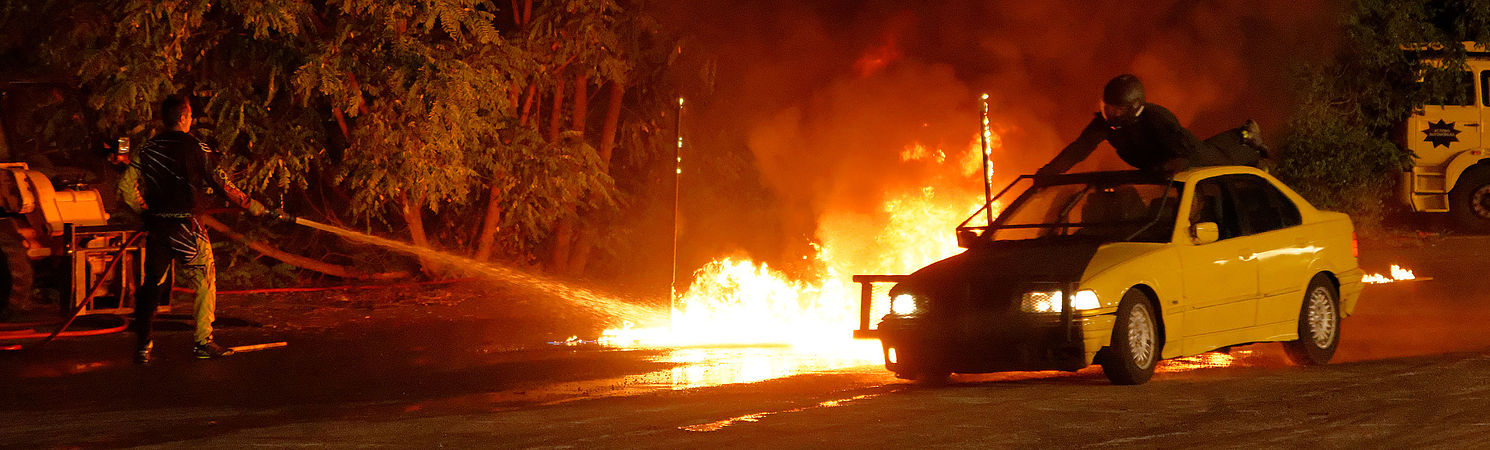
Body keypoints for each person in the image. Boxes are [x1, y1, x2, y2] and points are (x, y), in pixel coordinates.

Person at [117, 94, 290, 364]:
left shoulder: (147, 149)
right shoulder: (197, 147)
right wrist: (252, 205)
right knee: (205, 279)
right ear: (184, 118)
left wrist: (145, 212)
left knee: (152, 283)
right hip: (188, 227)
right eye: (189, 115)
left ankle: (143, 344)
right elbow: (222, 184)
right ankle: (202, 342)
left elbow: (126, 188)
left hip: (158, 227)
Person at [1037, 74, 1269, 176]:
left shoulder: (1157, 119)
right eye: (1108, 106)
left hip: (1184, 151)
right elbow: (1079, 149)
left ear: (1134, 106)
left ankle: (1247, 141)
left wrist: (1174, 165)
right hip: (1157, 164)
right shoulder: (1106, 124)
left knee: (1216, 159)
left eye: (1116, 109)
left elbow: (1184, 153)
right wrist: (1048, 172)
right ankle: (1241, 135)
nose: (1109, 113)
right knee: (1210, 150)